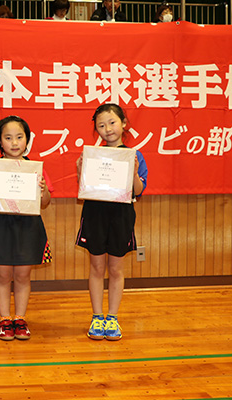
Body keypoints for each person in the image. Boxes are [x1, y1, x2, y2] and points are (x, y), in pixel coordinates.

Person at [0, 116, 54, 341]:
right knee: (2, 275)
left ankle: (20, 318)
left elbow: (46, 201)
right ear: (0, 141)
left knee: (22, 274)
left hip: (28, 225)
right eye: (8, 138)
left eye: (19, 137)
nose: (14, 142)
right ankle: (4, 319)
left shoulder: (34, 168)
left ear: (27, 140)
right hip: (0, 224)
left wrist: (42, 190)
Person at [75, 104, 148, 341]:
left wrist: (135, 172)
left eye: (112, 122)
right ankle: (97, 316)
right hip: (95, 214)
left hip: (121, 217)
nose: (108, 129)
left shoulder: (134, 155)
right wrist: (80, 172)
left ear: (124, 123)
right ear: (96, 130)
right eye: (101, 125)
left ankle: (112, 317)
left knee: (116, 269)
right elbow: (85, 189)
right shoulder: (93, 155)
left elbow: (138, 191)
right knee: (96, 267)